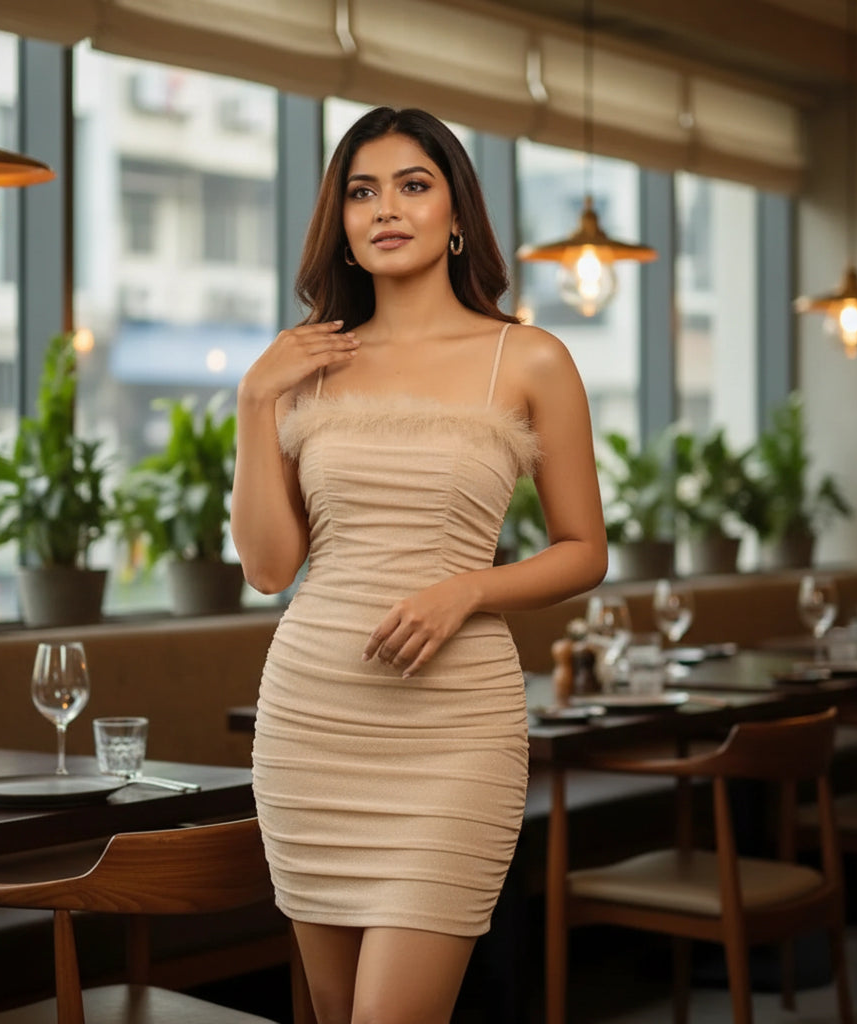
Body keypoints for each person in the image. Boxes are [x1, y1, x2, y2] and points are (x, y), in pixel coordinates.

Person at [231, 106, 607, 1024]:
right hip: (314, 719)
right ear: (342, 223)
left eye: (413, 185)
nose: (386, 208)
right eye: (362, 191)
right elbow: (271, 569)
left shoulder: (530, 358)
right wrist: (253, 401)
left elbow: (585, 550)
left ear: (457, 213)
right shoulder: (306, 365)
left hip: (455, 728)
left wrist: (467, 590)